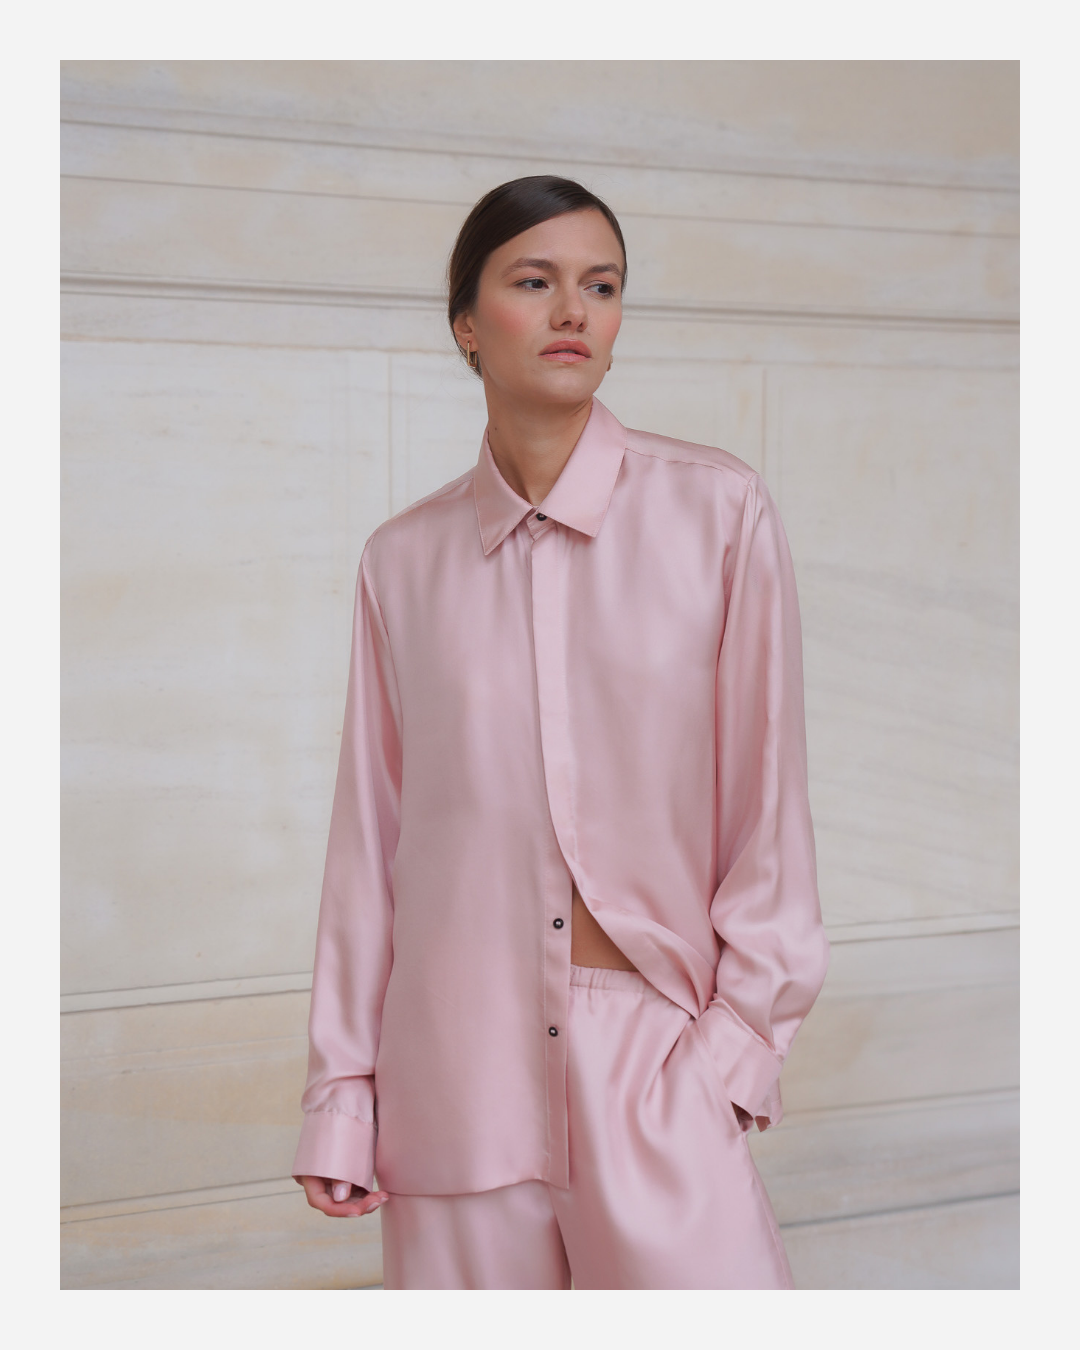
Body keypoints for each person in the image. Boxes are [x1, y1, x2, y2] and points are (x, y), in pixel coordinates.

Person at [293, 175, 830, 1289]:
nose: (574, 311)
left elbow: (768, 808)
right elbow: (369, 847)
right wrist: (343, 1098)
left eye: (602, 286)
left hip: (654, 1064)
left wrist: (731, 1058)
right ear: (466, 324)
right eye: (535, 283)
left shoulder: (718, 513)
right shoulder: (402, 562)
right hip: (453, 1073)